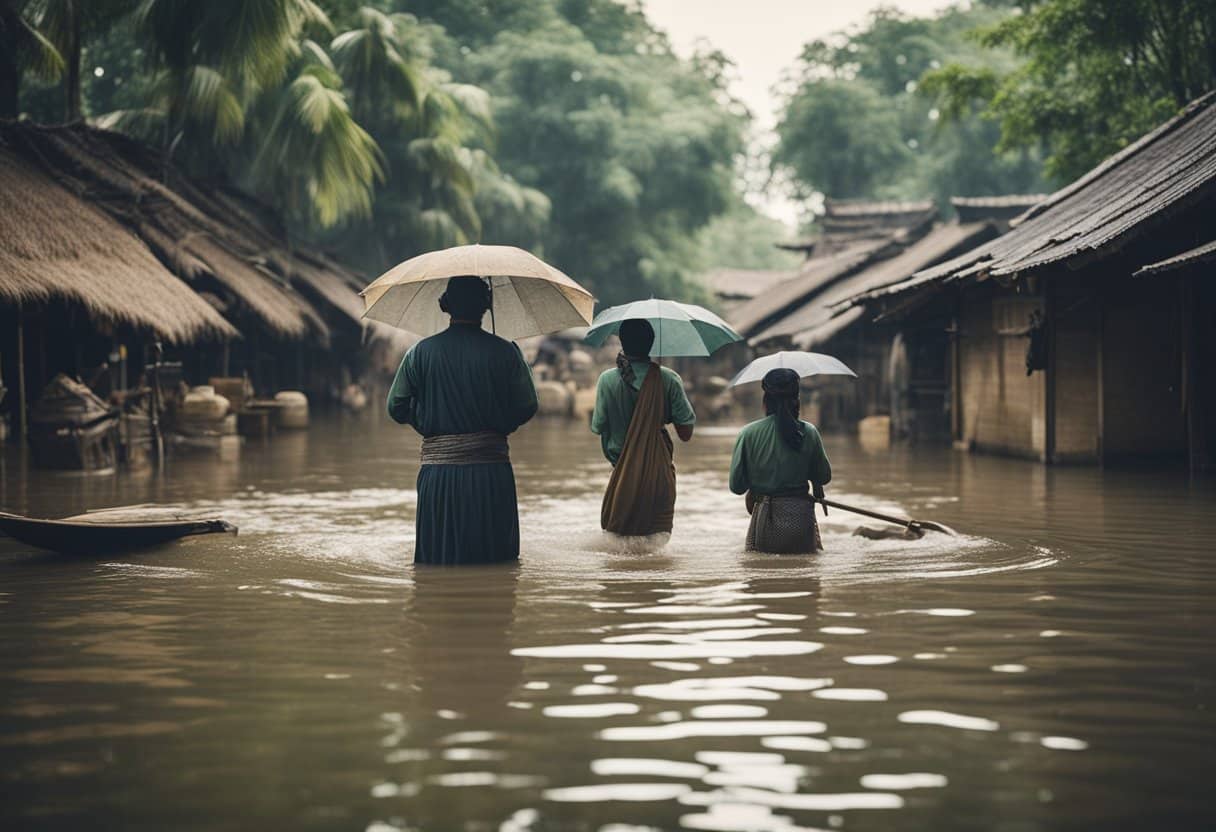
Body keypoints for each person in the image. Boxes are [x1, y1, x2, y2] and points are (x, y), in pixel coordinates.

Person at [387, 276, 538, 565]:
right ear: (487, 306)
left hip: (438, 476)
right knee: (494, 563)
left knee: (438, 562)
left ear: (446, 305)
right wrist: (498, 427)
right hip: (491, 473)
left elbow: (396, 407)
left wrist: (427, 424)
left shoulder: (419, 353)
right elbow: (528, 405)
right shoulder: (506, 352)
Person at [591, 318, 696, 536]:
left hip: (621, 477)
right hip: (658, 477)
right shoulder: (668, 379)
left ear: (622, 342)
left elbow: (598, 426)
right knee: (656, 552)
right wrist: (658, 409)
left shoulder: (607, 380)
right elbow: (686, 433)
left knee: (619, 551)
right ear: (651, 343)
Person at [729, 368, 832, 553]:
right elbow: (824, 476)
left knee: (762, 577)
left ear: (766, 399)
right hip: (802, 520)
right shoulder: (809, 432)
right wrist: (814, 481)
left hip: (766, 521)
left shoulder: (748, 433)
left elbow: (736, 486)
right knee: (805, 577)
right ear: (797, 398)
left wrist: (756, 483)